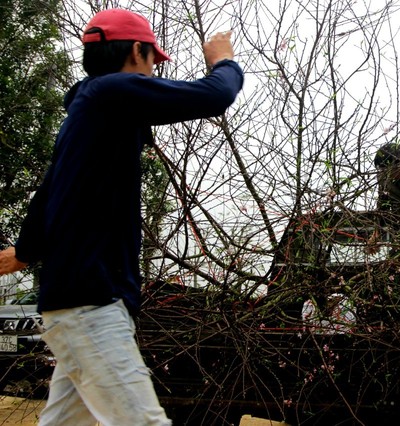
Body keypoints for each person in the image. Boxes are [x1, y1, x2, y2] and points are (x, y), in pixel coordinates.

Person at [0, 8, 243, 426]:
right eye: (152, 60)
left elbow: (49, 190)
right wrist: (224, 61)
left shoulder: (85, 115)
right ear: (136, 50)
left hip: (79, 301)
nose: (151, 74)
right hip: (91, 301)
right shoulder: (109, 92)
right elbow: (214, 95)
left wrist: (25, 251)